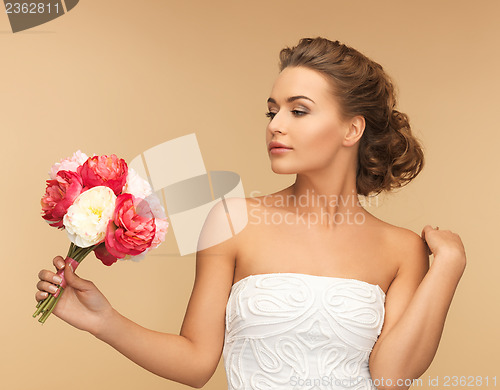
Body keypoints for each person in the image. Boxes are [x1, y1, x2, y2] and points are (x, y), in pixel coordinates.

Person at [35, 37, 467, 390]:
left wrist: (447, 267)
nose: (276, 124)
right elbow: (196, 362)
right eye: (272, 110)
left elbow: (393, 378)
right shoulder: (231, 221)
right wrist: (102, 320)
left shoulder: (403, 249)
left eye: (298, 110)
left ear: (352, 129)